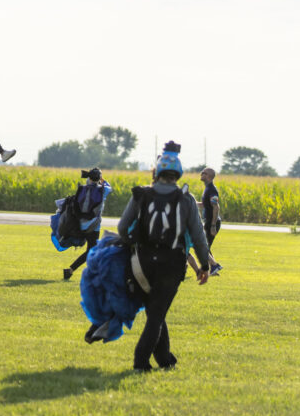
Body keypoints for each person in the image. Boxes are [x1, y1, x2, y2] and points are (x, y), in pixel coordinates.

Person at [116, 141, 209, 372]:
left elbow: (122, 228)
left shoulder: (141, 194)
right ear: (178, 173)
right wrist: (204, 265)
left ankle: (165, 359)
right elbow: (198, 236)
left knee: (155, 311)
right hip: (171, 264)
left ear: (157, 172)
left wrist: (131, 244)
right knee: (157, 314)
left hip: (142, 263)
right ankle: (140, 362)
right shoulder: (186, 199)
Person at [61, 168, 112, 280]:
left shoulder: (82, 189)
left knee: (92, 250)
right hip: (93, 227)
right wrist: (102, 179)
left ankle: (71, 270)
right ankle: (73, 270)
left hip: (80, 224)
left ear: (89, 178)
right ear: (98, 178)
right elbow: (109, 186)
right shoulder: (103, 190)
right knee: (92, 251)